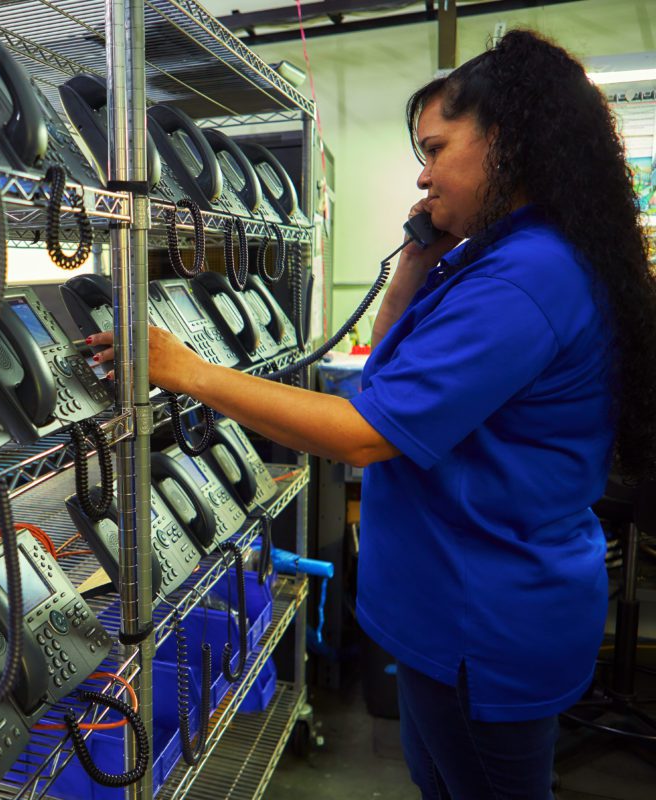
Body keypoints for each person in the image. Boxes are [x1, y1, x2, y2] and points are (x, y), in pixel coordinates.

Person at [89, 29, 656, 800]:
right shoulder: (497, 256)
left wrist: (187, 371)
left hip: (480, 623)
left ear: (508, 141)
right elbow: (389, 360)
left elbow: (363, 434)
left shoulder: (527, 278)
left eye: (436, 147)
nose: (422, 173)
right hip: (446, 612)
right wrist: (418, 257)